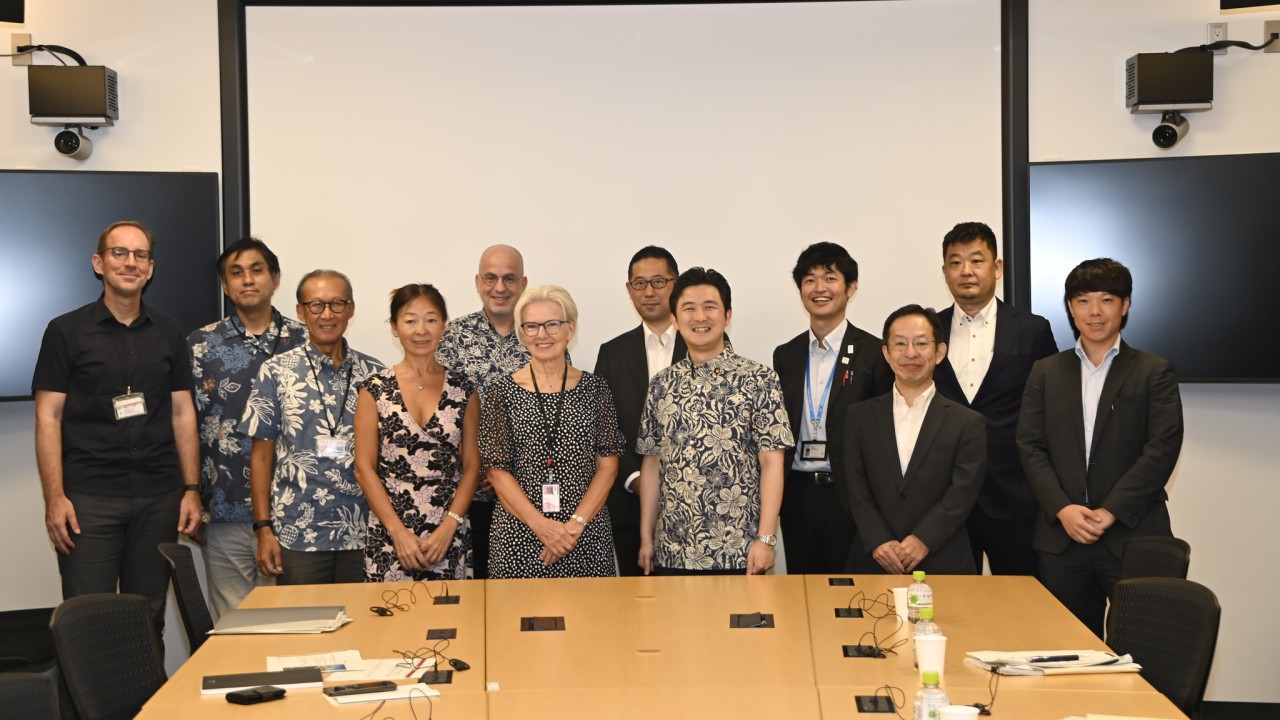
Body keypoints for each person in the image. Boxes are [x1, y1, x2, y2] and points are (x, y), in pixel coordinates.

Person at [32, 220, 202, 638]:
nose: (130, 262)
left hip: (159, 497)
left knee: (147, 621)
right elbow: (48, 417)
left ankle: (146, 706)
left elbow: (183, 413)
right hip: (88, 500)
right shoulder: (64, 331)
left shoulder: (169, 330)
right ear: (99, 262)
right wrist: (55, 499)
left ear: (151, 268)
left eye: (140, 255)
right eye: (119, 253)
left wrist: (191, 489)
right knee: (90, 625)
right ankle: (89, 708)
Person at [1017, 258, 1183, 637]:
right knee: (1068, 648)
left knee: (1142, 646)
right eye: (1082, 301)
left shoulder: (1153, 371)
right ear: (1070, 308)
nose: (1094, 312)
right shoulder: (1045, 372)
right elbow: (1029, 445)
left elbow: (1161, 449)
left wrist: (1111, 511)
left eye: (1107, 300)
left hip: (1132, 534)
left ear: (1125, 306)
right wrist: (1062, 509)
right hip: (1063, 537)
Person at [636, 268, 793, 575]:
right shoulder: (661, 384)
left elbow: (772, 463)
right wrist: (646, 537)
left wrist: (766, 539)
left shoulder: (759, 379)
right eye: (688, 309)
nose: (700, 317)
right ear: (675, 320)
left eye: (710, 307)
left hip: (740, 552)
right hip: (673, 551)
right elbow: (653, 462)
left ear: (727, 314)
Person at [189, 238, 307, 617]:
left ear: (275, 278)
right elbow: (182, 425)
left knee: (297, 624)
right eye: (236, 273)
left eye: (257, 270)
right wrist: (190, 494)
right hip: (225, 509)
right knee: (234, 629)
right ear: (225, 286)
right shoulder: (199, 346)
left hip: (296, 513)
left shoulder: (307, 342)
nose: (248, 280)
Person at [242, 269, 384, 584]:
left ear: (351, 309)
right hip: (298, 535)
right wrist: (263, 529)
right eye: (316, 305)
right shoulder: (276, 372)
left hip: (363, 531)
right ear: (301, 312)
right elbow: (261, 457)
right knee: (304, 630)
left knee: (364, 628)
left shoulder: (375, 375)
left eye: (337, 304)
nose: (327, 314)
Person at [933, 222, 1057, 576]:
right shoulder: (928, 331)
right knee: (948, 608)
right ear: (945, 273)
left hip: (1014, 494)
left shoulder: (1033, 330)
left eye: (976, 260)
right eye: (955, 263)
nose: (966, 271)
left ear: (997, 268)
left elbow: (1050, 411)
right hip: (944, 497)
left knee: (1022, 609)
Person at [479, 285, 624, 578]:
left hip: (584, 535)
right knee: (516, 622)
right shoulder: (501, 393)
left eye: (552, 324)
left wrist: (573, 527)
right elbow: (496, 472)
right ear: (522, 333)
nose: (542, 335)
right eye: (532, 326)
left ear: (570, 328)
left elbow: (608, 467)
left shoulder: (596, 389)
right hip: (520, 535)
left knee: (592, 621)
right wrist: (544, 528)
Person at [773, 242, 890, 574]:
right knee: (804, 594)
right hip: (796, 494)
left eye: (829, 278)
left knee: (851, 594)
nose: (819, 288)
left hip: (850, 496)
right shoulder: (786, 354)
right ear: (800, 291)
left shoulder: (873, 352)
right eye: (809, 280)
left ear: (850, 287)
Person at [844, 305, 986, 575]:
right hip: (874, 559)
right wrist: (878, 540)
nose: (911, 353)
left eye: (921, 343)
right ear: (886, 352)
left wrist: (924, 539)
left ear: (940, 352)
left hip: (943, 559)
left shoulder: (967, 421)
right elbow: (855, 485)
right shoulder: (859, 416)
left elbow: (963, 492)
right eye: (900, 344)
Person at [355, 284, 480, 581]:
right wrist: (398, 533)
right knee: (389, 624)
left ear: (444, 326)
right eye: (410, 320)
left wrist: (449, 526)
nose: (421, 330)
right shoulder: (374, 389)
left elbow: (473, 466)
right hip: (390, 532)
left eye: (431, 320)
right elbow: (363, 468)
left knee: (451, 624)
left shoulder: (464, 389)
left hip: (448, 532)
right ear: (394, 327)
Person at [435, 244, 531, 579]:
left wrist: (507, 473)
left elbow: (557, 411)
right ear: (478, 282)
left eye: (509, 278)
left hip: (527, 496)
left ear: (523, 283)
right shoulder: (451, 337)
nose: (500, 288)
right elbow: (440, 413)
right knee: (473, 596)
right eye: (491, 278)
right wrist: (483, 469)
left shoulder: (541, 334)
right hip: (466, 495)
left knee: (521, 599)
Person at [593, 246, 686, 576]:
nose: (649, 291)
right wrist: (636, 480)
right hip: (629, 503)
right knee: (639, 609)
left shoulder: (704, 345)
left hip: (694, 506)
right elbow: (604, 429)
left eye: (659, 281)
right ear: (629, 289)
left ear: (676, 283)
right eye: (639, 283)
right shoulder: (612, 353)